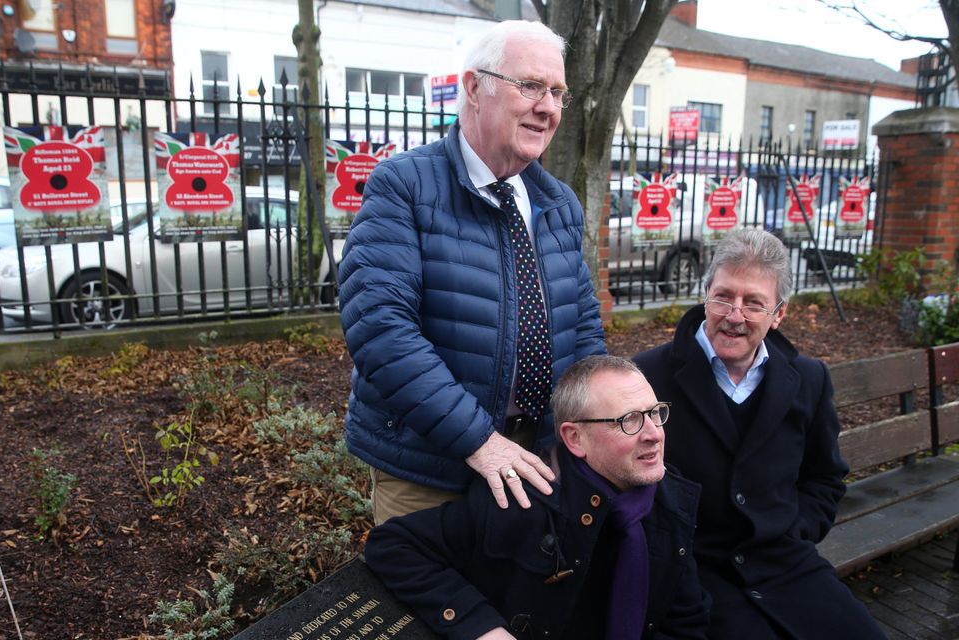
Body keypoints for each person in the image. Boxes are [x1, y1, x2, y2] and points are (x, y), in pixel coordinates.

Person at [338, 20, 606, 525]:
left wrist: (582, 433)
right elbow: (379, 328)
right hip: (429, 466)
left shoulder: (558, 203)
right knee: (427, 602)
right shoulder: (405, 186)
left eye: (557, 92)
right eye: (530, 86)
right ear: (473, 88)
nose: (548, 107)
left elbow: (584, 332)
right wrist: (478, 441)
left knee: (519, 600)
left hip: (535, 455)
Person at [632, 227, 886, 640]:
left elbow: (824, 477)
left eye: (753, 303)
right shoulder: (646, 377)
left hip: (787, 565)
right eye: (724, 296)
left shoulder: (808, 380)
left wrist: (794, 530)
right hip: (694, 573)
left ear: (778, 314)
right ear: (706, 294)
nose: (734, 315)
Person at [364, 355, 709, 640]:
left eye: (655, 413)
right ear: (575, 438)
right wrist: (482, 628)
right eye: (630, 421)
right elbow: (393, 545)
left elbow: (686, 622)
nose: (653, 434)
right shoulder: (524, 500)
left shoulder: (670, 501)